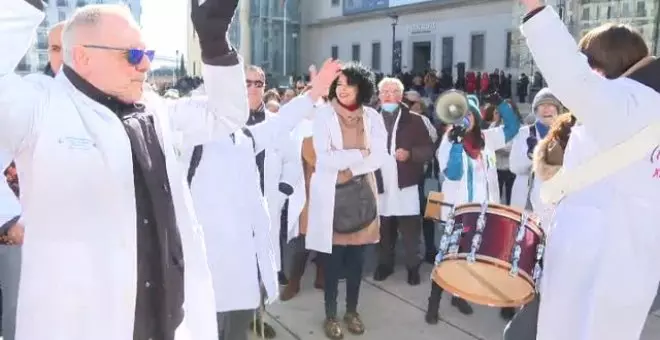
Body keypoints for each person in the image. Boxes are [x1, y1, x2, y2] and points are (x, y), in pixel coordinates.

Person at [0, 1, 247, 339]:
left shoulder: (153, 108)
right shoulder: (41, 107)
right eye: (132, 55)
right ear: (85, 58)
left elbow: (225, 114)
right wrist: (24, 5)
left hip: (167, 322)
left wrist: (215, 42)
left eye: (148, 53)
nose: (145, 65)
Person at [520, 1, 660, 339]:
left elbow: (571, 77)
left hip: (597, 261)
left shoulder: (628, 102)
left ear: (596, 68)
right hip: (632, 261)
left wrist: (535, 10)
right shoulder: (642, 105)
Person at [184, 60, 340, 340]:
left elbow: (281, 125)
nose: (252, 90)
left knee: (239, 316)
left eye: (258, 83)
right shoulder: (191, 141)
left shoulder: (243, 137)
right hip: (208, 258)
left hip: (246, 248)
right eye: (244, 83)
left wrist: (314, 93)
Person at [305, 62, 388, 340]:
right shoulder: (324, 115)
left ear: (361, 87)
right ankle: (330, 315)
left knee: (357, 261)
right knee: (332, 262)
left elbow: (379, 155)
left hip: (362, 195)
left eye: (348, 85)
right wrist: (359, 154)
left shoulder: (373, 117)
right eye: (338, 85)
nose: (342, 90)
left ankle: (352, 311)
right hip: (332, 197)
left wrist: (350, 167)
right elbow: (323, 156)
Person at [425, 94, 520, 322]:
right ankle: (433, 302)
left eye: (469, 114)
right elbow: (453, 173)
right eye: (461, 115)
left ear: (477, 117)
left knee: (470, 257)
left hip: (484, 213)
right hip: (458, 213)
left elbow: (513, 128)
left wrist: (502, 104)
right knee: (447, 257)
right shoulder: (448, 140)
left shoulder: (487, 138)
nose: (465, 119)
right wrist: (457, 144)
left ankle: (458, 295)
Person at [371, 78, 434, 285]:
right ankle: (384, 264)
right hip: (380, 181)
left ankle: (412, 267)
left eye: (394, 91)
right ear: (379, 95)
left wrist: (411, 154)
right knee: (383, 227)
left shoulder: (415, 120)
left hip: (405, 181)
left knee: (410, 228)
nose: (389, 95)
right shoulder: (370, 119)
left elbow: (428, 150)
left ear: (401, 96)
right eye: (385, 91)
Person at [509, 88, 562, 211]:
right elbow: (514, 166)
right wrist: (531, 155)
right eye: (542, 105)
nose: (546, 109)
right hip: (525, 204)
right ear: (536, 110)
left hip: (552, 205)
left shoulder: (564, 136)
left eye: (551, 105)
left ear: (558, 110)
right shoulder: (524, 133)